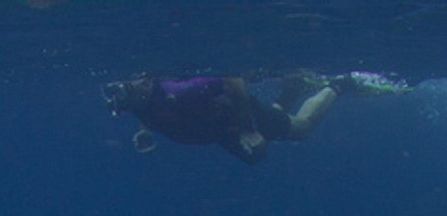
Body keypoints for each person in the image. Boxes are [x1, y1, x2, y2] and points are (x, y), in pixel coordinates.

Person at [103, 72, 341, 163]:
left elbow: (233, 80)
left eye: (127, 89)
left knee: (302, 129)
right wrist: (144, 131)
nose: (122, 95)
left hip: (235, 118)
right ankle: (290, 91)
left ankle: (338, 85)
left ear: (145, 81)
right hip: (216, 131)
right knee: (255, 156)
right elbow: (145, 109)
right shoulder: (139, 102)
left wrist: (248, 127)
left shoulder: (179, 91)